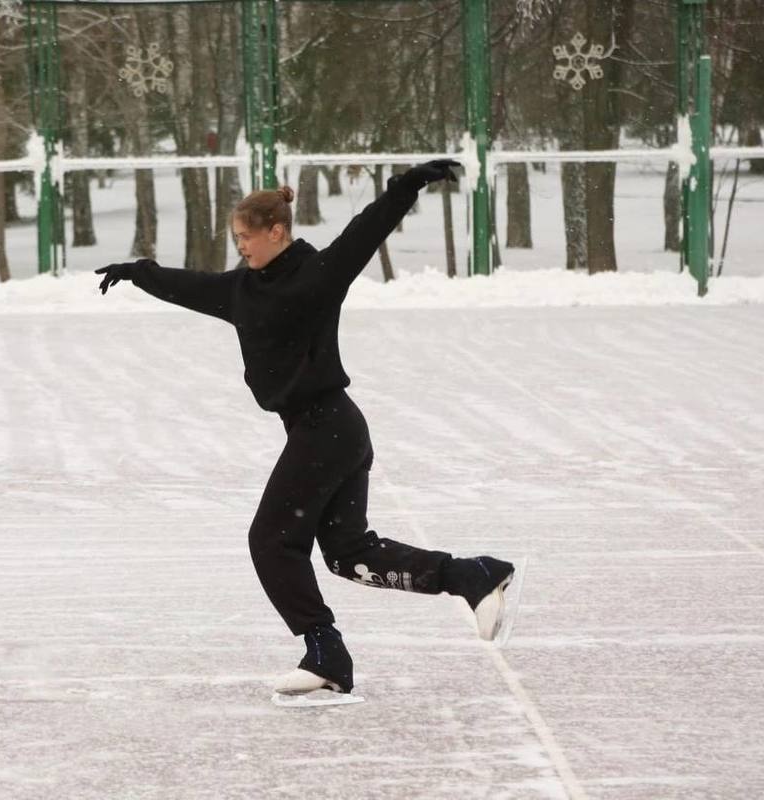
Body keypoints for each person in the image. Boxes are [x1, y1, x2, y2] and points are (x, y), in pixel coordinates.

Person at [94, 160, 515, 699]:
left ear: (277, 231)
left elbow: (366, 231)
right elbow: (190, 286)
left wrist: (406, 185)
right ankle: (472, 576)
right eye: (236, 239)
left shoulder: (318, 275)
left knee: (270, 541)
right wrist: (137, 272)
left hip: (328, 427)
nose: (241, 247)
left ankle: (324, 649)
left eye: (247, 237)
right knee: (347, 555)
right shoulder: (240, 290)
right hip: (325, 432)